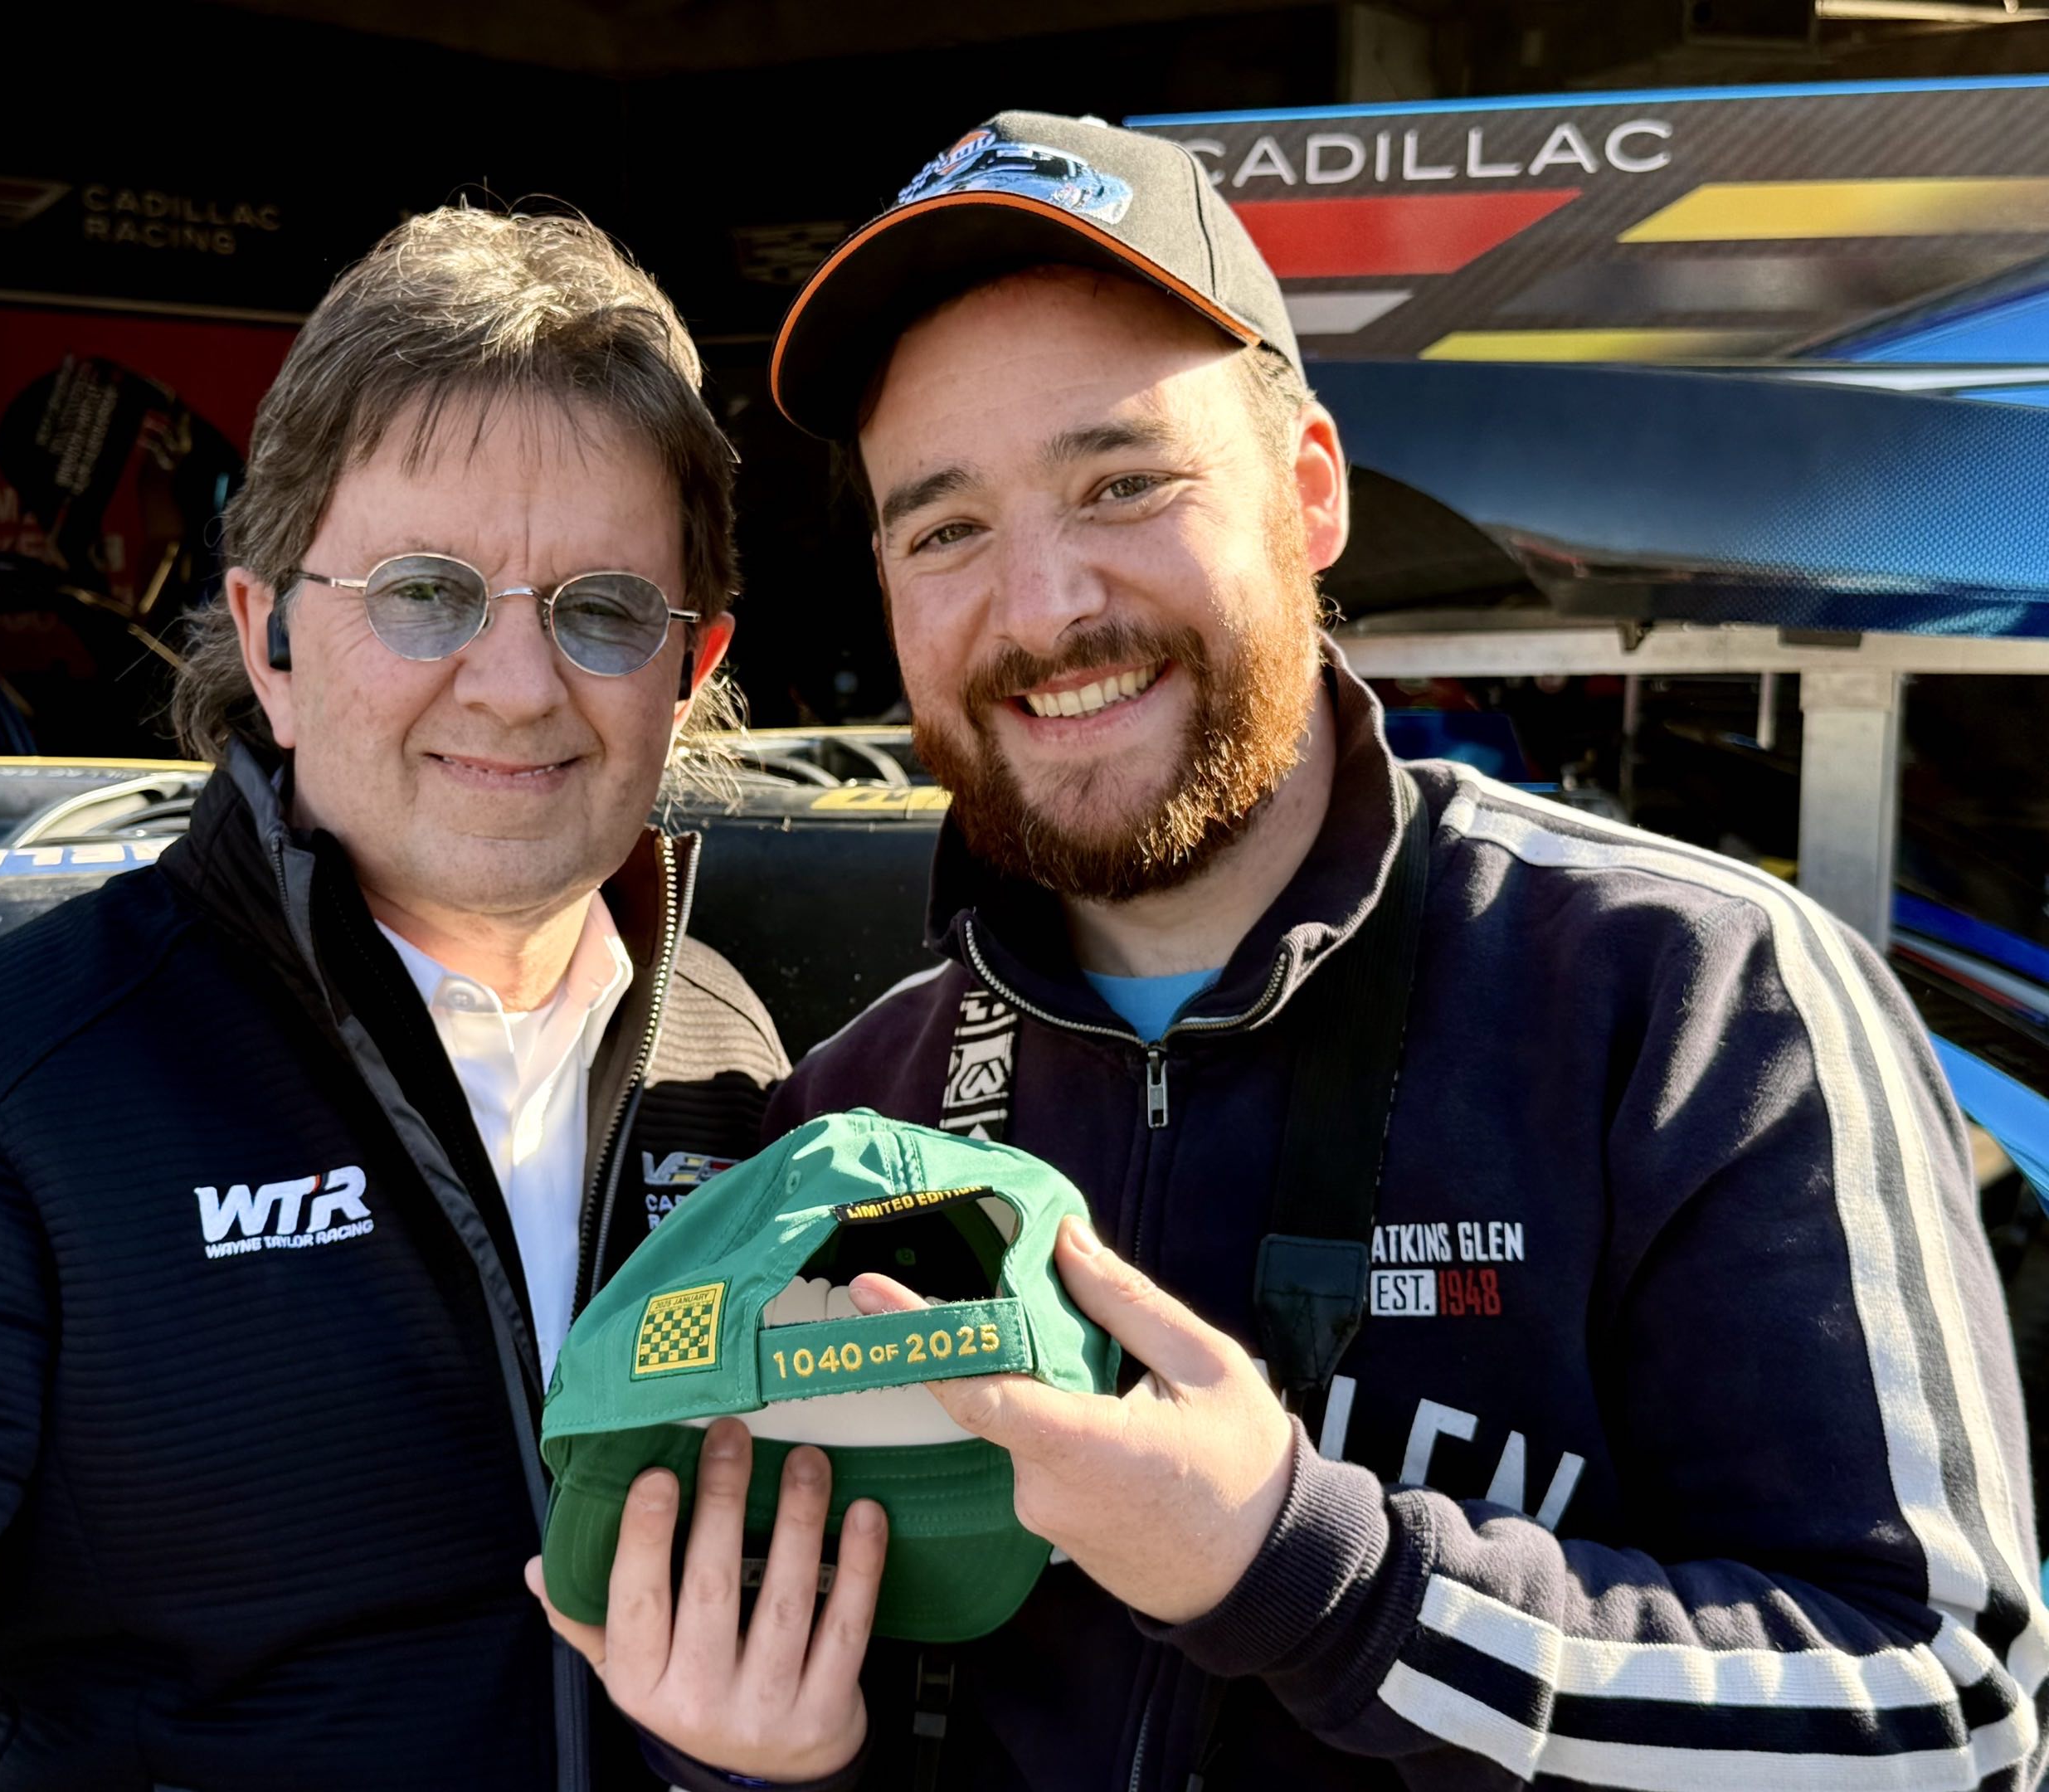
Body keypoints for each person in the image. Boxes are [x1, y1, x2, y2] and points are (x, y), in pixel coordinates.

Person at [543, 112, 2049, 1791]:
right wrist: (772, 1763)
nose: (1043, 608)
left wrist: (1305, 1569)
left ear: (1310, 493)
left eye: (1124, 483)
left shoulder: (1695, 997)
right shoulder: (855, 1108)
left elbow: (1949, 1721)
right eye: (945, 528)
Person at [0, 207, 791, 1791]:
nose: (517, 684)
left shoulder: (737, 1060)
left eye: (602, 610)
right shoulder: (4, 1090)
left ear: (692, 665)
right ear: (270, 641)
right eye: (425, 593)